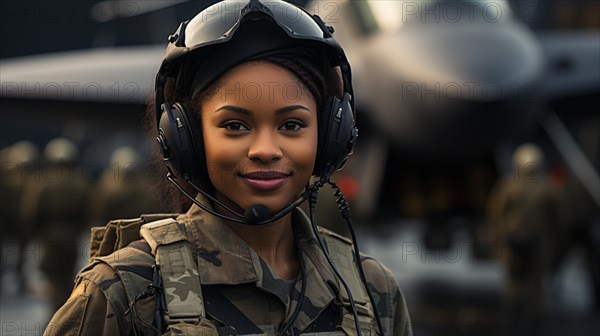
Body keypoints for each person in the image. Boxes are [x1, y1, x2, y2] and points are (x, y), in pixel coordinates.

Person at [44, 1, 411, 335]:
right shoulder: (123, 293)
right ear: (186, 138)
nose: (265, 150)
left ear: (332, 134)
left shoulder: (373, 290)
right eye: (235, 126)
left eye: (292, 125)